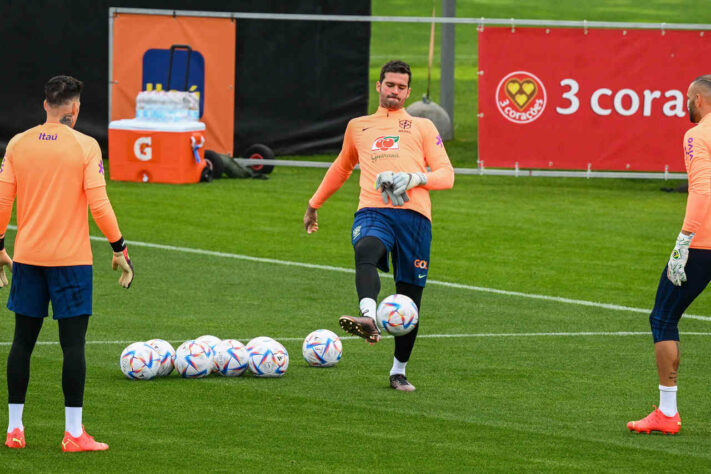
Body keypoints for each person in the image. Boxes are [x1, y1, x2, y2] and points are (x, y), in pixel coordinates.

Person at [303, 60, 454, 391]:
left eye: (401, 88)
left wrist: (413, 177)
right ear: (379, 86)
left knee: (409, 299)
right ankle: (369, 317)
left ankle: (398, 370)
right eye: (390, 85)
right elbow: (342, 167)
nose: (395, 92)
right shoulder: (358, 126)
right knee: (366, 249)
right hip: (374, 208)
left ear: (408, 92)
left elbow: (447, 175)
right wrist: (314, 204)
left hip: (414, 216)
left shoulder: (423, 127)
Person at [1, 76, 134, 451]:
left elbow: (1, 202)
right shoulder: (86, 146)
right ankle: (73, 434)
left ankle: (15, 430)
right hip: (71, 263)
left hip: (27, 258)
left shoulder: (17, 144)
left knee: (21, 343)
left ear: (45, 104)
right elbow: (99, 204)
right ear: (75, 109)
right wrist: (119, 248)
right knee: (72, 346)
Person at [627, 75, 711, 435]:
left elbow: (702, 190)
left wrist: (683, 242)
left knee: (663, 317)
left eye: (686, 99)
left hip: (703, 243)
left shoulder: (697, 135)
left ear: (698, 99)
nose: (684, 106)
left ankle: (667, 412)